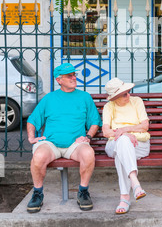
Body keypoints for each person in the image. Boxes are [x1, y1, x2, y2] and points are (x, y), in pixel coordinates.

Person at [26, 63, 101, 213]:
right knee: (39, 156)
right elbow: (32, 120)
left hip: (75, 145)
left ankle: (83, 191)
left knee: (88, 153)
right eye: (69, 76)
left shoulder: (84, 97)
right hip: (51, 144)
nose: (74, 78)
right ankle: (37, 193)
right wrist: (31, 138)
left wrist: (88, 136)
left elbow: (94, 121)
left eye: (74, 75)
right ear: (59, 80)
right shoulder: (49, 98)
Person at [102, 78, 150, 215]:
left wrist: (124, 130)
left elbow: (145, 126)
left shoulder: (137, 101)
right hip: (115, 144)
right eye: (124, 94)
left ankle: (125, 198)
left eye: (128, 92)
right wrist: (125, 135)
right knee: (123, 142)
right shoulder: (109, 107)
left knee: (120, 154)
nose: (128, 95)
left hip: (139, 144)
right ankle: (135, 183)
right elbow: (106, 132)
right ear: (115, 97)